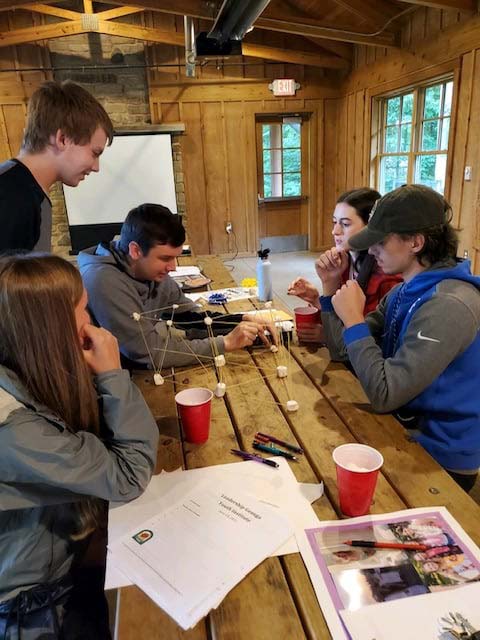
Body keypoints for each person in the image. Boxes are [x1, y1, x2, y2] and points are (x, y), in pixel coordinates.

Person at [0, 254, 159, 638]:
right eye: (83, 309)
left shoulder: (21, 370)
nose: (92, 322)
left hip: (62, 557)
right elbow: (129, 474)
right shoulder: (13, 430)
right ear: (51, 326)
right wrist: (112, 375)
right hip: (32, 607)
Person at [320, 184, 480, 492]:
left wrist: (353, 320)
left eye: (381, 241)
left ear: (416, 242)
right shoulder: (405, 290)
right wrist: (329, 288)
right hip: (402, 425)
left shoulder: (449, 304)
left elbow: (385, 395)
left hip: (438, 455)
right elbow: (341, 351)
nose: (372, 250)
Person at [78, 203, 277, 370]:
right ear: (135, 251)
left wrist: (241, 320)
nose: (173, 268)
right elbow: (149, 353)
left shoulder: (150, 272)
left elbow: (188, 317)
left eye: (175, 258)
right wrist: (224, 343)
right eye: (165, 258)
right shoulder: (103, 281)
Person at [0, 80, 114, 253]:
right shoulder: (13, 198)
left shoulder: (28, 194)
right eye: (94, 153)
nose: (96, 167)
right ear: (63, 139)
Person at [288, 188, 401, 342]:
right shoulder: (344, 260)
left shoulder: (387, 274)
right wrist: (317, 300)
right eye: (335, 222)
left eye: (345, 224)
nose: (335, 231)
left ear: (370, 227)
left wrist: (327, 337)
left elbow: (367, 336)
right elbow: (340, 316)